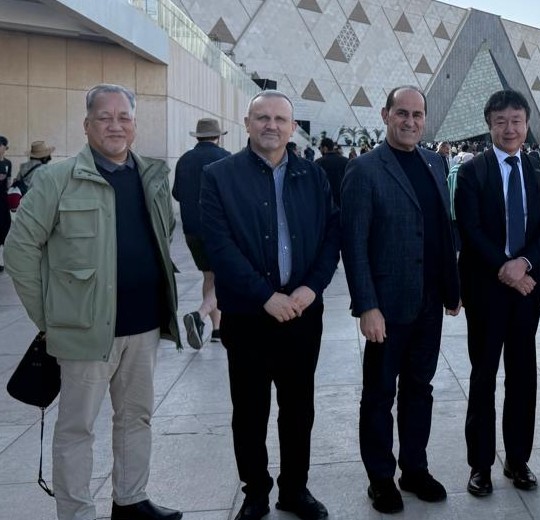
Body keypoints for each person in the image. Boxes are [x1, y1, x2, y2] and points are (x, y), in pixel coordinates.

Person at [4, 83, 182, 520]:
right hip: (84, 332)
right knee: (77, 428)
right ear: (86, 125)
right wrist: (51, 318)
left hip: (143, 325)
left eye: (124, 117)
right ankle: (77, 512)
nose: (115, 126)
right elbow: (20, 250)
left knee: (136, 417)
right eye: (104, 117)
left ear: (134, 125)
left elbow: (163, 235)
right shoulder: (56, 180)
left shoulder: (151, 177)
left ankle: (131, 501)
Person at [200, 90, 339, 520]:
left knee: (298, 409)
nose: (271, 125)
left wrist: (311, 288)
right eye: (262, 117)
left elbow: (331, 235)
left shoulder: (313, 176)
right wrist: (265, 296)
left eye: (280, 119)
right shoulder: (218, 176)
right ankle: (255, 491)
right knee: (250, 410)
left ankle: (295, 490)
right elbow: (218, 246)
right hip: (247, 316)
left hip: (301, 313)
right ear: (246, 123)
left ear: (293, 127)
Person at [341, 86, 461, 514]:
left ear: (426, 119)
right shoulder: (364, 169)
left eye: (417, 114)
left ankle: (414, 469)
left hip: (429, 303)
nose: (410, 121)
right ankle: (380, 478)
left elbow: (442, 230)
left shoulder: (435, 162)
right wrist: (366, 306)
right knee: (379, 395)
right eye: (402, 113)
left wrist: (451, 289)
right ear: (386, 115)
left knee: (419, 390)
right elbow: (354, 243)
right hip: (386, 306)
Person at [454, 90, 540, 497]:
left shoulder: (537, 170)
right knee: (483, 376)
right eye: (501, 122)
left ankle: (518, 459)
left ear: (527, 125)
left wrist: (525, 263)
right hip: (486, 289)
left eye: (516, 121)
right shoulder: (472, 171)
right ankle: (480, 464)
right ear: (489, 126)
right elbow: (470, 228)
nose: (509, 129)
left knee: (522, 375)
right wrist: (506, 267)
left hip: (526, 290)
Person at [173, 118, 230, 349]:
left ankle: (217, 330)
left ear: (198, 137)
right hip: (219, 230)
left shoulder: (184, 160)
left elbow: (177, 194)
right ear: (218, 137)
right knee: (225, 277)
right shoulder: (226, 158)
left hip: (192, 230)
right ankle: (200, 315)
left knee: (209, 276)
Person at [314, 137, 349, 208]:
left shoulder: (318, 163)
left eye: (320, 148)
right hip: (342, 198)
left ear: (325, 148)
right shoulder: (346, 161)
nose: (320, 150)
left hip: (325, 199)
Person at [0, 135, 10, 272]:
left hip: (3, 199)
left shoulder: (8, 163)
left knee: (4, 226)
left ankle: (2, 261)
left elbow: (8, 180)